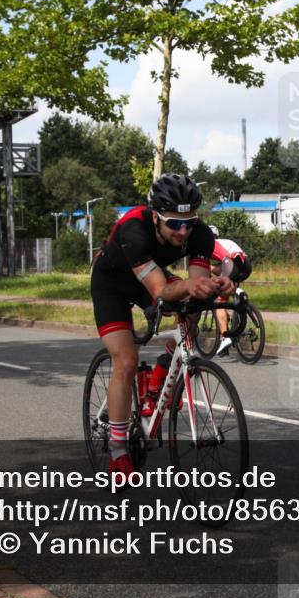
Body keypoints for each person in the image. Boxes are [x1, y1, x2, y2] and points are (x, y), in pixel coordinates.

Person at [90, 174, 234, 479]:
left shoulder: (199, 234)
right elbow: (160, 290)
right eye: (174, 223)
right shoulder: (133, 229)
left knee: (192, 309)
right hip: (112, 284)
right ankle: (118, 453)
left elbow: (196, 284)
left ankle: (157, 382)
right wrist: (189, 287)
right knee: (126, 360)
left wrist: (216, 286)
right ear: (156, 217)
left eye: (189, 222)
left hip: (150, 275)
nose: (183, 231)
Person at [207, 225, 252, 356]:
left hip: (232, 262)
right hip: (247, 265)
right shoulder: (226, 242)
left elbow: (227, 263)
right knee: (229, 287)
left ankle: (225, 338)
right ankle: (237, 294)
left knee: (219, 301)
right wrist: (211, 268)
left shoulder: (211, 245)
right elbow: (223, 268)